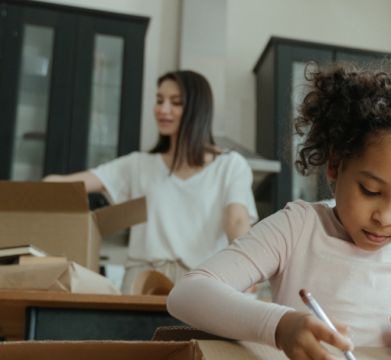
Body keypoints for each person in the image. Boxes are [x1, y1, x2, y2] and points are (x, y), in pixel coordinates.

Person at [167, 64, 391, 360]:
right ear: (335, 164)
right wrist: (280, 326)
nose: (386, 217)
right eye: (371, 191)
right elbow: (188, 294)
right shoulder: (298, 228)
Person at [45, 70, 257, 292]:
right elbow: (70, 184)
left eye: (175, 102)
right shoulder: (138, 165)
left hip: (201, 283)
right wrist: (34, 191)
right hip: (142, 283)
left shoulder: (230, 165)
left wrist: (249, 270)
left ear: (198, 109)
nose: (162, 109)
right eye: (159, 100)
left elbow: (236, 221)